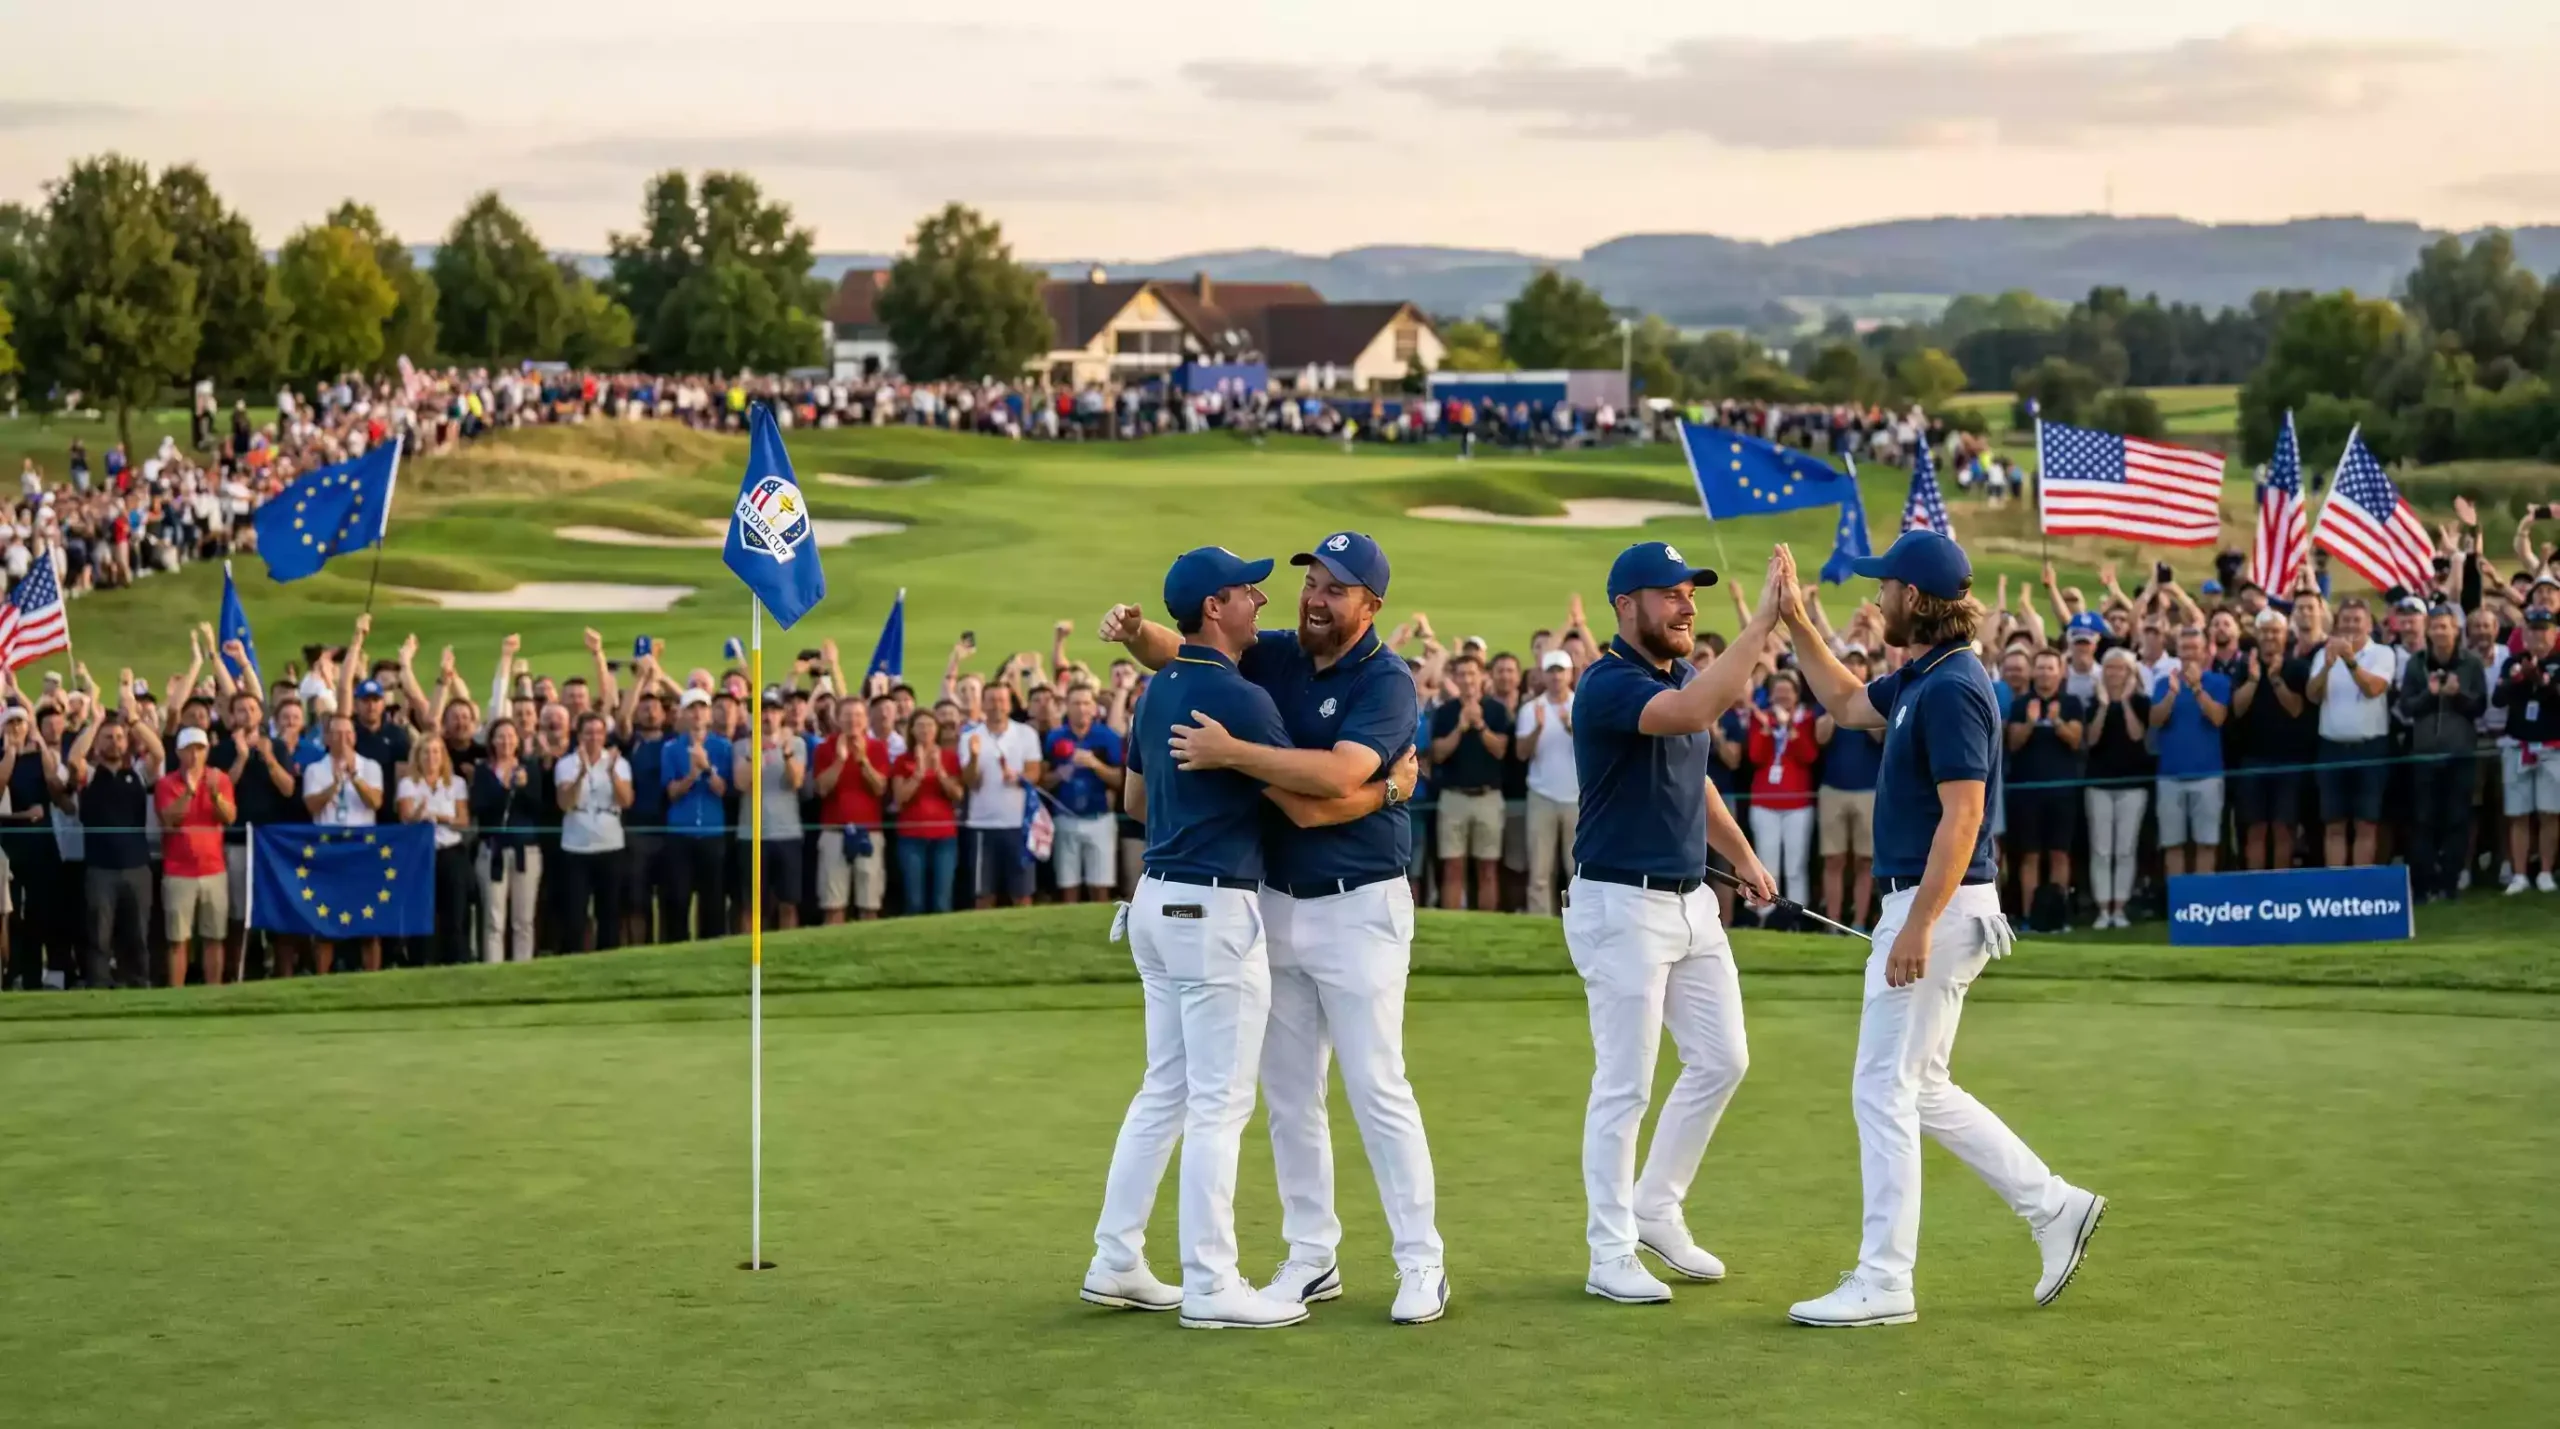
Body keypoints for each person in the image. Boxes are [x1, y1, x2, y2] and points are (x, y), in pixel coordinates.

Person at [1102, 529, 1444, 1325]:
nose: (1315, 598)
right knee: (1291, 1096)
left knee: (1377, 1086)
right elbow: (1190, 647)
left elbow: (1334, 778)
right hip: (1275, 906)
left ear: (1372, 604)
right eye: (1312, 581)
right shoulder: (1278, 655)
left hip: (1361, 902)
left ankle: (1420, 1260)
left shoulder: (1387, 681)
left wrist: (1239, 755)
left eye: (1336, 587)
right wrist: (1136, 631)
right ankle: (1310, 1256)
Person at [1776, 530, 2103, 1329]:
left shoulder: (1956, 685)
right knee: (1920, 1087)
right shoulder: (1921, 675)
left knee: (1881, 1088)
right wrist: (1793, 620)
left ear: (1914, 600)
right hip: (1937, 906)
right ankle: (2054, 1205)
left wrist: (1915, 925)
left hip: (1939, 906)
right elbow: (1848, 703)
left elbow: (1966, 817)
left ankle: (1886, 1278)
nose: (1878, 598)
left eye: (1886, 587)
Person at [1081, 546, 1308, 1331]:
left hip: (1155, 898)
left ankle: (1116, 1259)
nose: (1260, 602)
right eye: (1249, 591)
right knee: (1217, 1102)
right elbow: (1303, 797)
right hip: (1212, 908)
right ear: (1215, 607)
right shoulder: (1236, 698)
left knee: (1166, 1089)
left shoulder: (1157, 689)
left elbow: (1138, 798)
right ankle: (1212, 1282)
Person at [1565, 540, 1783, 1306]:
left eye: (1691, 592)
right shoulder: (1607, 684)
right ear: (1626, 605)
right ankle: (1608, 1250)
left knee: (1723, 1057)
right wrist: (1760, 624)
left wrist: (1744, 854)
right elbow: (1694, 714)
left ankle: (1655, 1206)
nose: (1687, 604)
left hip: (1692, 902)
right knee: (1624, 1085)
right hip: (1619, 904)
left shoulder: (1680, 675)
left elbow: (1698, 776)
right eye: (1670, 593)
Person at [72, 697, 163, 989]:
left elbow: (158, 753)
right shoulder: (89, 775)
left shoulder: (136, 773)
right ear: (98, 743)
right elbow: (74, 759)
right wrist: (96, 722)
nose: (115, 742)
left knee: (136, 934)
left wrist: (134, 720)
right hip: (100, 868)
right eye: (108, 738)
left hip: (137, 866)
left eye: (120, 738)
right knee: (99, 935)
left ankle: (138, 984)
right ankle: (98, 986)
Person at [2397, 607, 2485, 902]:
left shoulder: (2470, 664)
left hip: (2459, 755)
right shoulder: (2416, 663)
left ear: (2455, 630)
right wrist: (2430, 695)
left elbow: (2479, 707)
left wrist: (2456, 694)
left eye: (2444, 627)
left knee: (2457, 820)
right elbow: (2406, 707)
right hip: (2423, 756)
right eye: (2434, 627)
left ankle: (2449, 885)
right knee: (2422, 821)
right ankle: (2422, 887)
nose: (2439, 633)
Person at [2307, 599, 2397, 869]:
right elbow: (2312, 696)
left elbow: (2374, 689)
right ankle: (2337, 888)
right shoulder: (2322, 654)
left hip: (2369, 749)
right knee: (2334, 823)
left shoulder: (2383, 654)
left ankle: (2361, 886)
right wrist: (2326, 666)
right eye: (2346, 620)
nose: (2351, 625)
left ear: (2369, 625)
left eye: (2357, 620)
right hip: (2332, 747)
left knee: (2366, 822)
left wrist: (2350, 662)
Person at [2001, 649, 2084, 924]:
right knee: (2030, 856)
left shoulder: (2071, 703)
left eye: (2050, 668)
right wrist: (2031, 722)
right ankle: (2029, 916)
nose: (2045, 673)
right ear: (2033, 672)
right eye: (2041, 668)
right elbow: (2012, 743)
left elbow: (2075, 740)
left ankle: (2058, 916)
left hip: (2063, 791)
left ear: (2060, 672)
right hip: (2027, 792)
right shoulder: (2021, 704)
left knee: (2060, 853)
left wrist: (2057, 721)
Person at [2228, 611, 2313, 874]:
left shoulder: (2297, 667)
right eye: (2264, 630)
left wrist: (2276, 679)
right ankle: (2256, 892)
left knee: (2283, 828)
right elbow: (2237, 709)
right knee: (2255, 828)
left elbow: (2297, 709)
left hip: (2289, 760)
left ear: (2285, 634)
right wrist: (2254, 679)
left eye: (2275, 631)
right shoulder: (2244, 667)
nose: (2269, 636)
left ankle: (2281, 892)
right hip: (2252, 759)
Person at [301, 713, 384, 973]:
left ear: (355, 736)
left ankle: (373, 980)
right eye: (336, 733)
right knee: (326, 922)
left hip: (362, 851)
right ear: (326, 738)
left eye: (348, 733)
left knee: (369, 923)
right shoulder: (316, 769)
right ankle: (322, 980)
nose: (343, 739)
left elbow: (376, 802)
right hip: (329, 851)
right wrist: (334, 785)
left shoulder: (370, 767)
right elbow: (312, 805)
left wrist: (355, 778)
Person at [154, 726, 235, 987]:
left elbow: (229, 816)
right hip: (179, 872)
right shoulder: (167, 784)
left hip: (213, 869)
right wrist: (189, 791)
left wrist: (213, 794)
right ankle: (178, 996)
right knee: (179, 940)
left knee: (214, 937)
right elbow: (169, 819)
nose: (195, 755)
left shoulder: (219, 780)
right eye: (189, 749)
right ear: (178, 752)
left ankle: (213, 994)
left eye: (200, 749)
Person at [1427, 652, 1508, 911]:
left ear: (1482, 677)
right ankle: (1453, 924)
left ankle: (1487, 925)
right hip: (1454, 798)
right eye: (1461, 674)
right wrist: (1460, 727)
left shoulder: (1496, 710)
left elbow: (1500, 750)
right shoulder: (1445, 712)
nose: (1467, 680)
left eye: (1472, 674)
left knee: (1487, 868)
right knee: (1452, 867)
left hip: (1488, 798)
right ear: (1454, 678)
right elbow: (1438, 753)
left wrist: (1480, 725)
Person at [2149, 628, 2230, 879]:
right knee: (2173, 845)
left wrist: (2196, 689)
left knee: (2206, 843)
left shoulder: (2218, 682)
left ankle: (2203, 903)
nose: (2189, 654)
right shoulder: (2164, 683)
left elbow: (2217, 718)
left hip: (2207, 775)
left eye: (2195, 648)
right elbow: (2155, 720)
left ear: (2205, 652)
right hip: (2170, 776)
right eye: (2185, 648)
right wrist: (2172, 694)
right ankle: (2179, 905)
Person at [2081, 649, 2154, 928]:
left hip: (2133, 785)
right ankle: (2103, 909)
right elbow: (2093, 739)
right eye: (2109, 669)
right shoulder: (2092, 703)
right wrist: (2103, 705)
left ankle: (2119, 908)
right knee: (2101, 849)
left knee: (2125, 849)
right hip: (2098, 784)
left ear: (2130, 673)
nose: (2114, 674)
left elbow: (2137, 735)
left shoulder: (2140, 702)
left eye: (2121, 669)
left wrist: (2123, 702)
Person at [1814, 647, 1882, 931]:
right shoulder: (1830, 699)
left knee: (1865, 862)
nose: (1854, 667)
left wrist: (1860, 700)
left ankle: (1857, 922)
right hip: (1834, 790)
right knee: (1834, 859)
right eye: (1848, 663)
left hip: (1869, 791)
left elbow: (1879, 735)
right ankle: (1833, 923)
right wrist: (1838, 704)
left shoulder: (1876, 698)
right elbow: (1820, 737)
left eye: (1859, 663)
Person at [2493, 608, 2559, 893]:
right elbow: (2497, 699)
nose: (2538, 635)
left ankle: (2545, 872)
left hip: (2552, 746)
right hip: (2518, 745)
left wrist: (2540, 681)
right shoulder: (2512, 662)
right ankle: (2519, 875)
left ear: (2555, 633)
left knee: (2549, 812)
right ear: (2524, 633)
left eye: (2544, 629)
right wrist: (2518, 678)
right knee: (2518, 813)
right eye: (2532, 629)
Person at [659, 689, 732, 942]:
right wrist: (692, 774)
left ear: (709, 714)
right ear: (684, 714)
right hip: (681, 833)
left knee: (713, 900)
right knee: (678, 898)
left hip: (712, 833)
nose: (698, 713)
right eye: (692, 708)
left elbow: (723, 790)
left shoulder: (722, 747)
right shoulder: (671, 749)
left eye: (702, 708)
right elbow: (672, 793)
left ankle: (712, 948)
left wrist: (707, 767)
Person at [556, 711, 634, 949]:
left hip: (610, 846)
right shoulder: (566, 764)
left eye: (599, 732)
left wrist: (611, 774)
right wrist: (581, 774)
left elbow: (626, 800)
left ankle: (608, 957)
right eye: (588, 733)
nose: (594, 737)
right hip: (576, 847)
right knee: (574, 914)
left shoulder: (619, 763)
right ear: (579, 736)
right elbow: (565, 802)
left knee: (609, 912)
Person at [1041, 684, 1125, 904]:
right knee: (1068, 887)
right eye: (1076, 703)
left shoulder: (1107, 737)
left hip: (1100, 819)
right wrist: (1060, 774)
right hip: (1065, 819)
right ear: (1067, 707)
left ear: (1094, 707)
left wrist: (1095, 764)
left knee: (1100, 886)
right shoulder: (1055, 737)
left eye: (1086, 703)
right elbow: (1043, 781)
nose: (1081, 709)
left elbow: (1120, 780)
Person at [960, 685, 1041, 909]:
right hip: (982, 824)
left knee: (1022, 893)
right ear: (983, 704)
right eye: (992, 700)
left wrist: (1019, 777)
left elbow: (1034, 773)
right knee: (983, 894)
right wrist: (974, 757)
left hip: (1019, 824)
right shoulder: (970, 737)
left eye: (1001, 700)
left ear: (1009, 704)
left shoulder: (1026, 734)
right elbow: (970, 783)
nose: (997, 706)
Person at [470, 718, 544, 963]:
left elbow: (538, 807)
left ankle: (523, 970)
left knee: (523, 920)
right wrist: (503, 789)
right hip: (493, 851)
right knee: (494, 919)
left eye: (511, 736)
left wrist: (523, 788)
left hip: (526, 851)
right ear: (491, 741)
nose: (506, 741)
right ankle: (494, 971)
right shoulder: (483, 772)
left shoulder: (529, 768)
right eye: (500, 736)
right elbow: (479, 807)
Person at [1746, 670, 1820, 911]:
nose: (1782, 697)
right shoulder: (1761, 718)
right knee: (1767, 866)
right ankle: (1765, 914)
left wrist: (1791, 728)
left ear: (1797, 695)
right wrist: (1768, 730)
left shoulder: (1806, 718)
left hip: (1797, 805)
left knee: (1795, 866)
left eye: (1787, 693)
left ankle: (1796, 915)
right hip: (1764, 803)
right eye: (1777, 693)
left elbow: (1809, 756)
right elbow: (1755, 757)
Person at [814, 694, 890, 923]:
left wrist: (863, 761)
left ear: (866, 720)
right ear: (837, 719)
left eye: (858, 715)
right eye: (847, 715)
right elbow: (821, 789)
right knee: (833, 905)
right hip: (835, 832)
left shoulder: (877, 748)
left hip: (869, 833)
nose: (852, 721)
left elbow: (880, 788)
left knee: (869, 905)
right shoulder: (824, 749)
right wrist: (839, 760)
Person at [396, 735, 472, 966]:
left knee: (454, 910)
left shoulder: (455, 783)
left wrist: (441, 817)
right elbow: (406, 817)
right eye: (426, 752)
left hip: (450, 851)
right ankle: (422, 961)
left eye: (436, 752)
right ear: (418, 756)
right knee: (423, 911)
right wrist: (419, 814)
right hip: (421, 854)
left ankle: (455, 960)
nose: (431, 757)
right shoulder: (408, 783)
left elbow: (463, 820)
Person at [1516, 649, 1578, 917]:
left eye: (1560, 671)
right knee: (1540, 871)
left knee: (1575, 869)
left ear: (1570, 674)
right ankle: (1539, 919)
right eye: (1551, 671)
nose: (1556, 677)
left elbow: (1595, 751)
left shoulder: (1580, 706)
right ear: (1543, 674)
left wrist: (1570, 727)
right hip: (1542, 796)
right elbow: (1521, 753)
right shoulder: (1531, 709)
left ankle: (1579, 921)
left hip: (1576, 798)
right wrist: (1539, 729)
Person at [734, 700, 807, 931]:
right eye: (763, 712)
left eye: (773, 711)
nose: (768, 716)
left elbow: (795, 782)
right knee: (752, 905)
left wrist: (786, 755)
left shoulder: (796, 744)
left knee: (788, 903)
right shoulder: (741, 746)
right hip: (752, 834)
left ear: (781, 715)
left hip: (787, 834)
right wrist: (753, 752)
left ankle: (787, 950)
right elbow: (741, 783)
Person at [888, 711, 962, 915]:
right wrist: (918, 773)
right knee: (915, 901)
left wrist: (939, 772)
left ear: (936, 729)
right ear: (911, 730)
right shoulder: (903, 760)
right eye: (920, 725)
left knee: (942, 901)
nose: (925, 730)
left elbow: (957, 794)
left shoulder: (949, 758)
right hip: (911, 837)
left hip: (944, 836)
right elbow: (900, 798)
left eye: (929, 725)